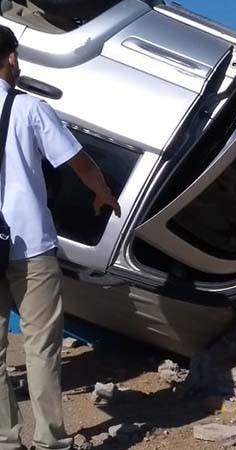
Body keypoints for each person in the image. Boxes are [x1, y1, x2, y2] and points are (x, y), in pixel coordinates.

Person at [0, 25, 120, 450]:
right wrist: (102, 192)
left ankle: (6, 440)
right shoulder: (29, 109)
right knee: (41, 347)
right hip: (29, 245)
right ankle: (50, 440)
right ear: (11, 58)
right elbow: (78, 160)